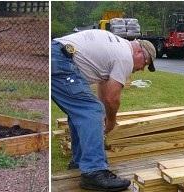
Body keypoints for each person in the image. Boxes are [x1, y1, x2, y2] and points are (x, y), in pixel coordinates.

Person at [51, 29, 156, 191]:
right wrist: (111, 121)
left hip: (58, 55)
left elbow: (104, 86)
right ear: (139, 52)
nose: (142, 69)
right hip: (61, 60)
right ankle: (94, 172)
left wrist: (102, 117)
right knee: (90, 111)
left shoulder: (117, 46)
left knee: (84, 112)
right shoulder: (125, 57)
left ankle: (79, 163)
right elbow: (112, 98)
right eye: (146, 63)